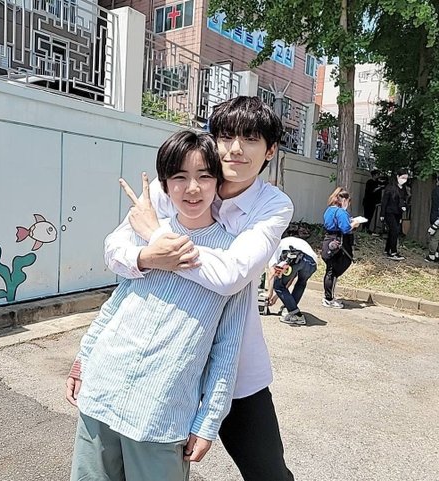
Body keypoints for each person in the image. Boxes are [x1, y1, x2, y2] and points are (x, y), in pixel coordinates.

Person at [104, 96, 295, 481]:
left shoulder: (272, 205)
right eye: (225, 137)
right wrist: (147, 257)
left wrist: (157, 236)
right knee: (135, 466)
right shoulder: (176, 183)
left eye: (251, 139)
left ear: (270, 150)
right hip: (165, 363)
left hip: (233, 368)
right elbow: (114, 250)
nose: (235, 149)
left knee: (268, 473)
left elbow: (232, 275)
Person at [66, 130, 251, 481]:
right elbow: (115, 306)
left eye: (204, 176)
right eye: (179, 177)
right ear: (164, 186)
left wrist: (208, 421)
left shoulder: (232, 255)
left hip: (161, 413)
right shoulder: (145, 234)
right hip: (102, 391)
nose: (192, 188)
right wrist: (83, 359)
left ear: (218, 182)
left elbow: (227, 348)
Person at [267, 227, 318, 325]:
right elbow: (290, 279)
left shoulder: (277, 245)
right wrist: (277, 296)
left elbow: (272, 272)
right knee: (301, 283)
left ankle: (296, 315)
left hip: (295, 258)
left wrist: (270, 294)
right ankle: (290, 309)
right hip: (312, 262)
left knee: (277, 285)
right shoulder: (300, 242)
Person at [321, 188, 360, 309]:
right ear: (344, 200)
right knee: (333, 272)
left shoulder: (329, 210)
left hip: (328, 240)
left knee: (330, 270)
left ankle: (328, 297)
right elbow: (345, 228)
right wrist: (354, 223)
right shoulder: (341, 212)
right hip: (338, 242)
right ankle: (328, 299)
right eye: (348, 201)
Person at [380, 169, 409, 261]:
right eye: (403, 177)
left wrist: (403, 207)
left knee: (393, 231)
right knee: (394, 231)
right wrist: (382, 214)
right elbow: (384, 201)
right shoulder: (390, 187)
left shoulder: (403, 188)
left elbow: (403, 200)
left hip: (398, 213)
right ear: (398, 177)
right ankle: (393, 252)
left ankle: (387, 249)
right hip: (389, 212)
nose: (404, 180)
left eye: (406, 178)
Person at [425, 175, 439, 263]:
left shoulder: (436, 191)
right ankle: (437, 255)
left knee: (435, 237)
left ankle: (431, 255)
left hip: (436, 216)